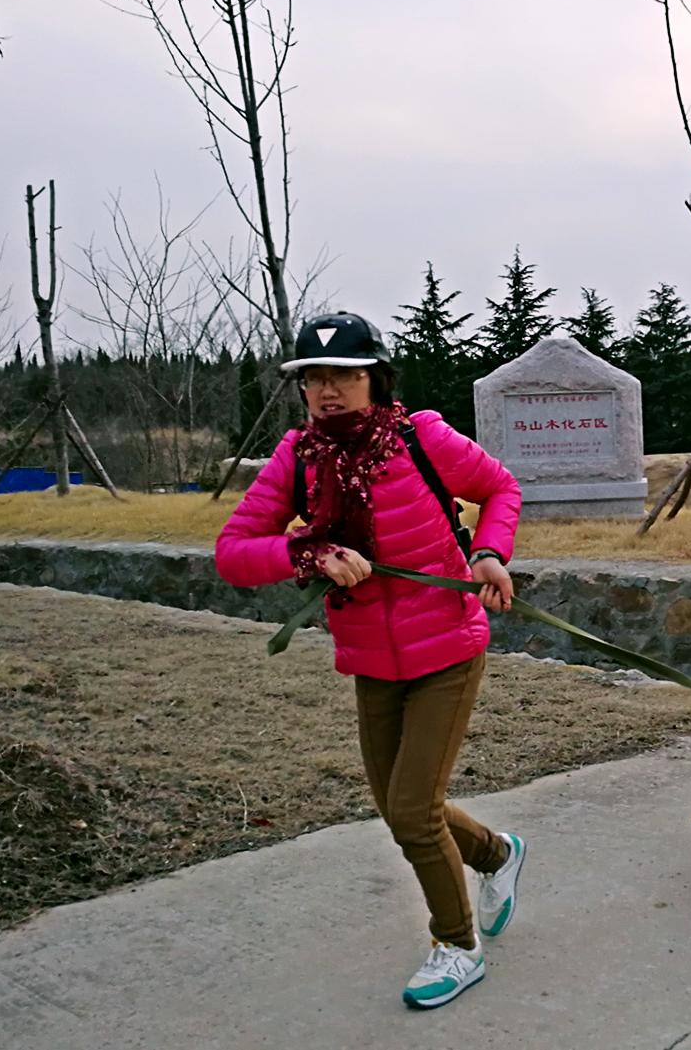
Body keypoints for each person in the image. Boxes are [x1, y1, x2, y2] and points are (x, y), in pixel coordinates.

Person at [215, 311, 526, 1011]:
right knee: (398, 807)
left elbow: (500, 488)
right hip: (371, 659)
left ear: (374, 378)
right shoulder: (298, 458)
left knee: (413, 809)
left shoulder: (421, 437)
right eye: (313, 379)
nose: (328, 391)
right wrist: (309, 551)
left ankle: (457, 944)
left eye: (344, 375)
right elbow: (232, 552)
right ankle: (498, 855)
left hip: (447, 646)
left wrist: (489, 553)